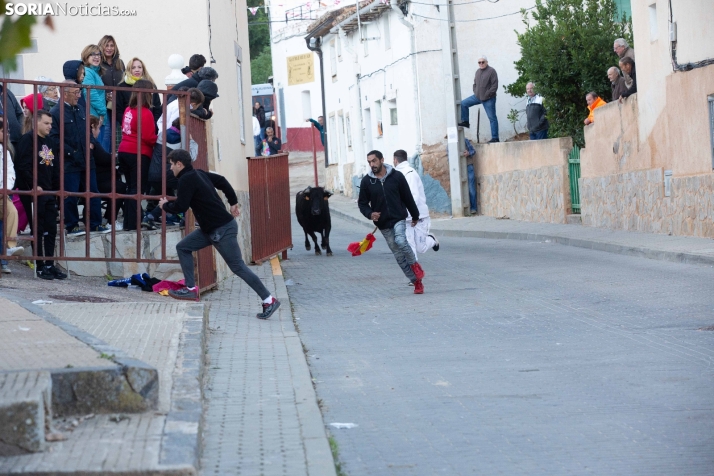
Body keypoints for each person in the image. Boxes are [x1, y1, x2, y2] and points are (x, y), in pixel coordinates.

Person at [157, 149, 281, 318]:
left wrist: (164, 206)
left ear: (180, 164)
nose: (170, 168)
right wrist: (233, 201)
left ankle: (269, 300)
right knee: (183, 247)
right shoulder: (198, 173)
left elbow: (181, 206)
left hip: (221, 229)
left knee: (238, 267)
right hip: (210, 229)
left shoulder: (187, 179)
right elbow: (221, 181)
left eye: (171, 164)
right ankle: (191, 289)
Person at [358, 150, 426, 294]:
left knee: (401, 241)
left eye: (374, 161)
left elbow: (407, 197)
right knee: (398, 254)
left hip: (398, 218)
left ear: (382, 160)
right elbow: (362, 204)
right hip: (383, 223)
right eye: (369, 162)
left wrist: (415, 215)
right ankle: (416, 281)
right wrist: (370, 214)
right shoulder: (366, 182)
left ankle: (415, 265)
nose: (372, 164)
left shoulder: (397, 176)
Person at [49, 80, 108, 236]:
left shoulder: (81, 109)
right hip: (69, 163)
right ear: (65, 93)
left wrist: (92, 144)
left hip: (87, 160)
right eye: (75, 93)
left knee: (93, 192)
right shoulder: (56, 113)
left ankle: (95, 223)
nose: (79, 95)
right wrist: (71, 153)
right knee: (71, 195)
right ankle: (72, 225)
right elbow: (54, 139)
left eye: (79, 92)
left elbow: (88, 132)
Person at [15, 110, 65, 279]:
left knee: (51, 228)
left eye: (51, 123)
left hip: (49, 190)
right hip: (34, 192)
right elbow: (22, 165)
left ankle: (50, 263)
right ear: (36, 123)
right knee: (39, 227)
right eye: (46, 123)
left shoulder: (50, 141)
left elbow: (55, 166)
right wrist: (33, 184)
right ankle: (40, 265)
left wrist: (59, 187)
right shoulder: (27, 140)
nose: (50, 126)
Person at [118, 79, 158, 231]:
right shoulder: (145, 112)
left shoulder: (128, 109)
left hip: (124, 150)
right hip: (138, 153)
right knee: (137, 190)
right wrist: (160, 141)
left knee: (130, 188)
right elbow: (148, 137)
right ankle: (134, 223)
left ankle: (129, 222)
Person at [393, 149, 439, 266]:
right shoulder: (396, 175)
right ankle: (415, 275)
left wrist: (411, 214)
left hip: (419, 216)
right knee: (409, 245)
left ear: (395, 160)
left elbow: (414, 197)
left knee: (421, 248)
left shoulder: (410, 174)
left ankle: (432, 240)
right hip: (405, 218)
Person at [89, 115, 125, 229]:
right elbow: (103, 158)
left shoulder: (92, 142)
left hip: (102, 177)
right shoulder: (92, 142)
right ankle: (110, 221)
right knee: (120, 188)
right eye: (98, 128)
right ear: (92, 127)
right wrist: (114, 157)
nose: (99, 131)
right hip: (99, 180)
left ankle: (108, 218)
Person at [0, 117, 24, 273]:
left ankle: (9, 248)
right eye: (3, 131)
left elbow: (10, 173)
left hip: (2, 193)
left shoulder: (4, 151)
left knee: (12, 212)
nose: (6, 134)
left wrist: (5, 189)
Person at [459, 55, 499, 143]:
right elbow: (475, 84)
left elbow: (494, 86)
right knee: (463, 103)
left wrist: (488, 94)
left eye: (483, 62)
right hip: (478, 97)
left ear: (486, 62)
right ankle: (465, 121)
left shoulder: (491, 71)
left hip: (488, 98)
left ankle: (495, 138)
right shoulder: (477, 71)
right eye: (479, 62)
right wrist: (475, 92)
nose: (481, 64)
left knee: (492, 118)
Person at [115, 57, 162, 127]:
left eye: (139, 67)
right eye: (133, 67)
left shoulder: (151, 85)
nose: (137, 70)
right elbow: (118, 110)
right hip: (129, 127)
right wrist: (127, 124)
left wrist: (153, 124)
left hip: (149, 126)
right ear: (128, 70)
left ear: (143, 69)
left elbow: (157, 108)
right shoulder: (121, 87)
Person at [98, 35, 125, 152]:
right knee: (107, 133)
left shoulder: (120, 63)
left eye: (112, 45)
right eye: (106, 45)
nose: (109, 48)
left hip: (119, 104)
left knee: (120, 134)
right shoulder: (98, 63)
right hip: (104, 105)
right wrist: (105, 95)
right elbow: (96, 84)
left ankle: (117, 163)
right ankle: (105, 162)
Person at [80, 45, 107, 144]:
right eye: (93, 54)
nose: (97, 57)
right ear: (86, 56)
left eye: (98, 54)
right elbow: (90, 93)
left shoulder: (94, 72)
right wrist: (102, 111)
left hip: (97, 117)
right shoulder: (88, 72)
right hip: (95, 118)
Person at [0, 82, 25, 150]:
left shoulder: (6, 92)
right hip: (2, 142)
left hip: (16, 139)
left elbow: (19, 113)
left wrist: (20, 128)